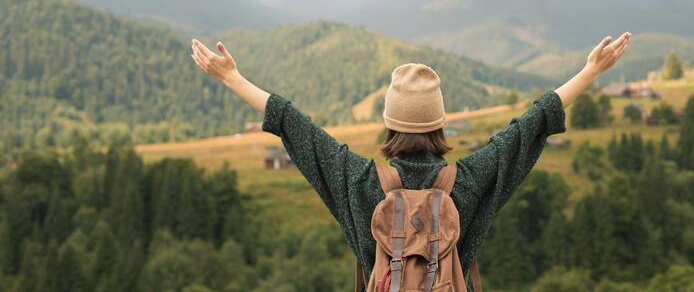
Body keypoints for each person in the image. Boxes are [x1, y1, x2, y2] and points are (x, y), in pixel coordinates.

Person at [190, 32, 631, 287]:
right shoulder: (470, 181)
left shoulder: (358, 180)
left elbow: (295, 125)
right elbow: (532, 123)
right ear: (439, 123)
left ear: (389, 124)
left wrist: (232, 77)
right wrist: (591, 71)